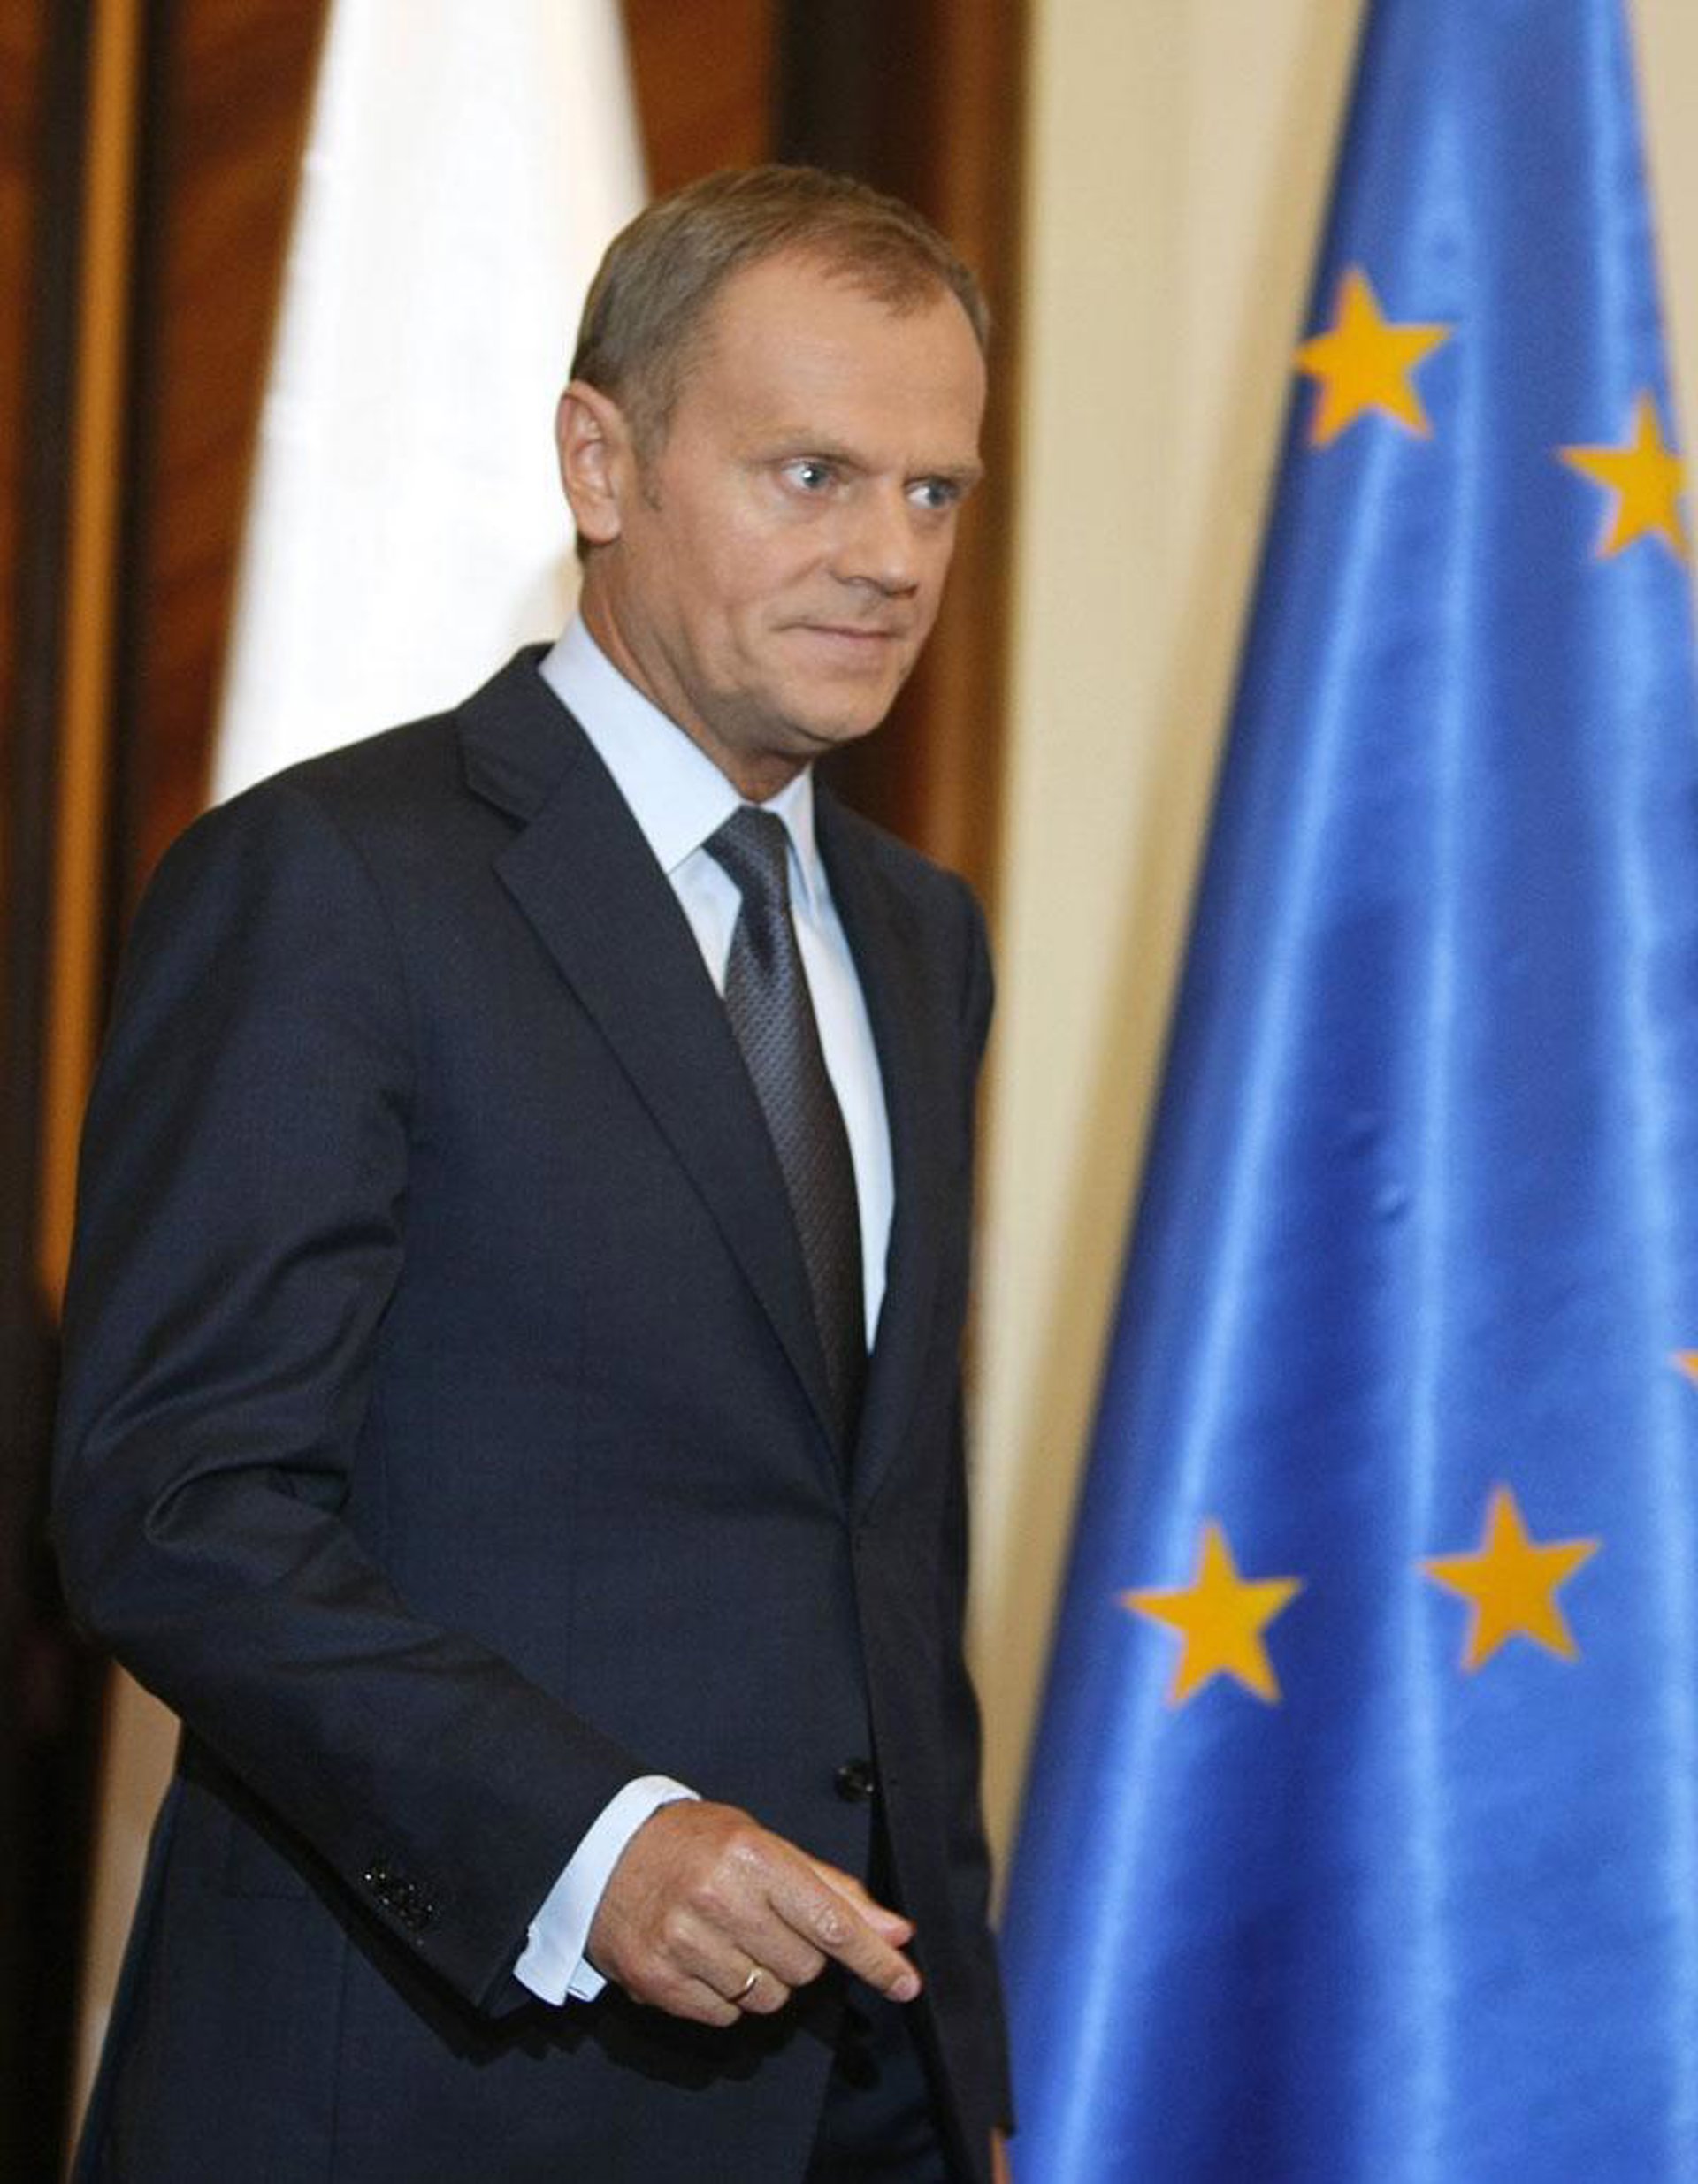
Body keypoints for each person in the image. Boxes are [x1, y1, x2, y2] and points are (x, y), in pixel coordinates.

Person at [53, 164, 1012, 2181]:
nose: (889, 557)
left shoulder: (923, 938)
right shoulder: (330, 882)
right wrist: (597, 1842)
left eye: (938, 492)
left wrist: (965, 2077)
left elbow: (881, 1552)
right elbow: (181, 1503)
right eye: (815, 474)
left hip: (856, 2105)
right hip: (426, 2087)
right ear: (601, 460)